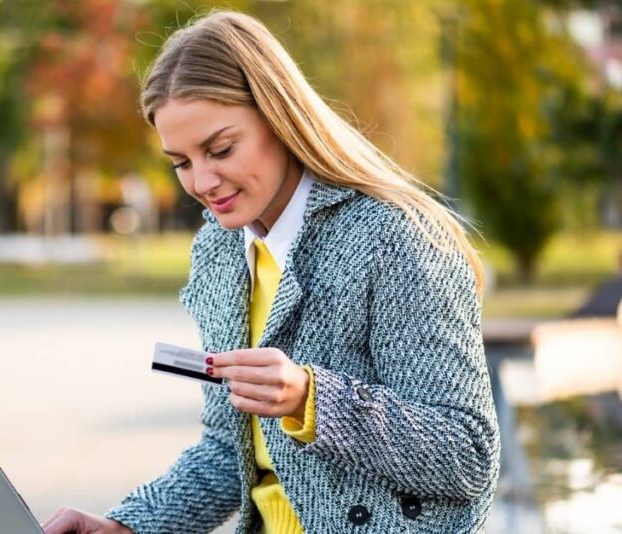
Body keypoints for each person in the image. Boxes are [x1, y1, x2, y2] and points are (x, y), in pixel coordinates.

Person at [42, 10, 500, 534]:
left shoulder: (394, 236)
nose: (202, 181)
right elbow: (227, 452)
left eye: (220, 149)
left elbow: (467, 455)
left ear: (278, 117)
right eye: (181, 162)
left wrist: (311, 399)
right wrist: (128, 526)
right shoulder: (218, 252)